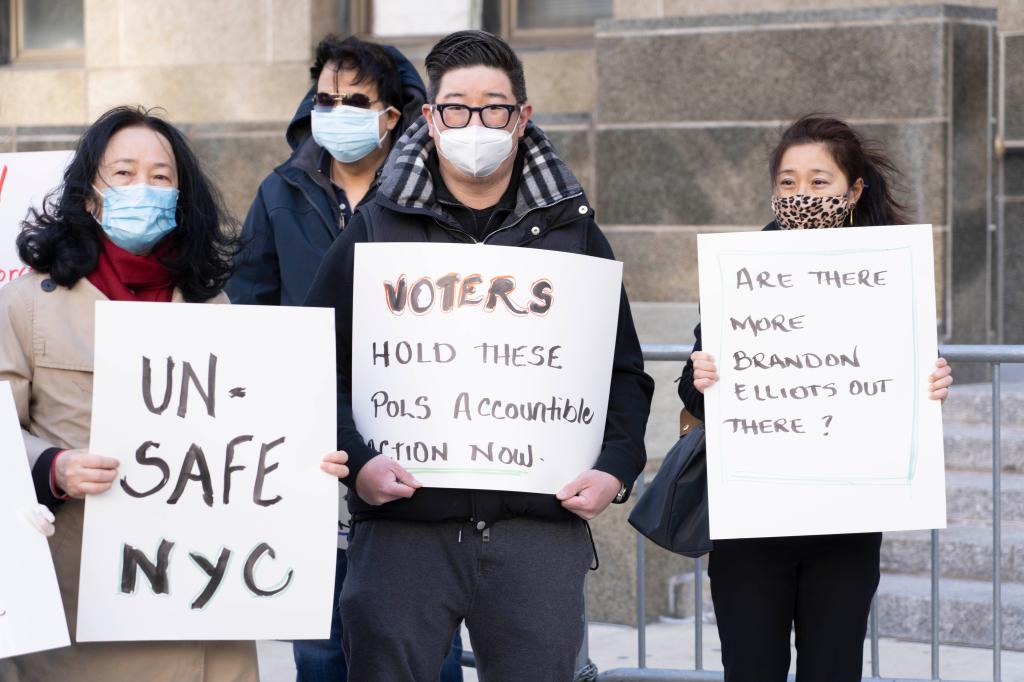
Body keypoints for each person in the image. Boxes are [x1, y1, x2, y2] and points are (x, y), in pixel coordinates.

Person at [308, 29, 654, 681]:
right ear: (431, 120)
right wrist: (357, 463)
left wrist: (614, 468)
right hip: (402, 533)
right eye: (457, 107)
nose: (476, 123)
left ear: (522, 118)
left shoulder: (575, 235)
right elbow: (315, 362)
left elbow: (623, 375)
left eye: (493, 107)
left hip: (537, 534)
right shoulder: (377, 230)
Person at [678, 115, 954, 682]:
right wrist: (701, 376)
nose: (801, 195)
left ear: (853, 190)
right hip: (753, 520)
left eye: (818, 182)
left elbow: (895, 388)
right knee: (752, 669)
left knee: (833, 668)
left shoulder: (886, 277)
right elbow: (696, 398)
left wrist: (929, 386)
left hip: (844, 524)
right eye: (787, 182)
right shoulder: (742, 274)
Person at [225, 34, 463, 681]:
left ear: (393, 115)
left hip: (415, 441)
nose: (336, 111)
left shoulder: (434, 199)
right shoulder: (281, 193)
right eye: (326, 98)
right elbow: (250, 305)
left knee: (423, 642)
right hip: (310, 449)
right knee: (324, 646)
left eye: (355, 100)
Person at [0, 105, 259, 682]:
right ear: (89, 195)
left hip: (203, 602)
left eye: (161, 177)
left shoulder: (215, 308)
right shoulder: (26, 307)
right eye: (123, 173)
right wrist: (53, 467)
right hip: (80, 611)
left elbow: (251, 439)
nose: (144, 188)